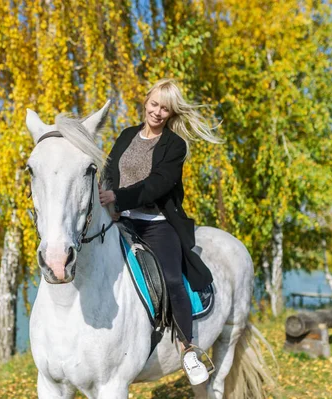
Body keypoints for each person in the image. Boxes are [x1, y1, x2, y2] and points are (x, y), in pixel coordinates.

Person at [99, 78, 222, 385]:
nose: (157, 112)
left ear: (171, 113)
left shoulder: (174, 146)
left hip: (156, 224)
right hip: (121, 221)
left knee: (171, 279)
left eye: (164, 108)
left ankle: (188, 348)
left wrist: (118, 197)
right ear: (146, 102)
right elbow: (110, 171)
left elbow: (158, 184)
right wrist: (107, 196)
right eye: (154, 104)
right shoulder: (127, 135)